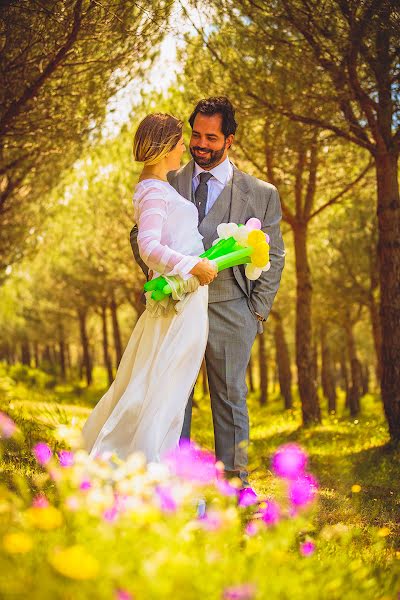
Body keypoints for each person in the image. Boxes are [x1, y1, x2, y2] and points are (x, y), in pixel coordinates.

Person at [131, 97, 285, 487]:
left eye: (211, 137)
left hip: (232, 310)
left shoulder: (261, 193)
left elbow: (275, 255)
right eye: (195, 134)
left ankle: (235, 485)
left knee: (231, 398)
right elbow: (141, 237)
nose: (200, 144)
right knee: (173, 394)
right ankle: (174, 483)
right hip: (177, 307)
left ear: (229, 140)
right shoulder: (167, 178)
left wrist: (257, 313)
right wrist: (168, 281)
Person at [82, 113, 217, 462]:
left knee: (164, 387)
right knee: (164, 390)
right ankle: (145, 470)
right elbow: (149, 247)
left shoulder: (155, 187)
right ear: (164, 147)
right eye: (179, 141)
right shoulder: (154, 191)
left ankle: (148, 468)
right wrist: (194, 265)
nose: (183, 147)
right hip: (180, 302)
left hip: (184, 299)